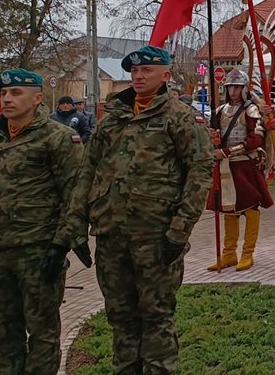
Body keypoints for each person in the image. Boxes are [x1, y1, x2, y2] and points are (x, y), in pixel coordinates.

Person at [67, 45, 214, 373]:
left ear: (166, 75)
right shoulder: (113, 118)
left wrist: (179, 230)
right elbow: (88, 171)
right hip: (111, 236)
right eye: (134, 71)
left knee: (156, 317)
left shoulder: (180, 117)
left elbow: (200, 172)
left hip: (156, 237)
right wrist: (76, 224)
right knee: (120, 317)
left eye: (147, 70)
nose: (138, 76)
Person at [0, 68, 89, 375]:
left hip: (38, 252)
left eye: (16, 93)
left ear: (38, 98)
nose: (7, 99)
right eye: (3, 93)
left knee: (43, 336)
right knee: (4, 338)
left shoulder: (58, 138)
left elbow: (75, 195)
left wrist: (60, 245)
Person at [206, 70, 275, 272]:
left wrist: (227, 151)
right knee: (229, 210)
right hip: (224, 166)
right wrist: (212, 139)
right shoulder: (220, 110)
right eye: (230, 87)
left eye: (237, 87)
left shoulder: (251, 110)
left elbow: (256, 139)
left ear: (244, 89)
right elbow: (213, 135)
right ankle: (229, 254)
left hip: (244, 165)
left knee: (250, 208)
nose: (233, 91)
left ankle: (247, 254)